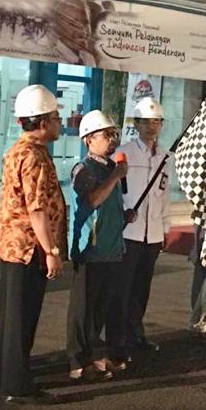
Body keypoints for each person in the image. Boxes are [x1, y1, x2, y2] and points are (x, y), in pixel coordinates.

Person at [0, 84, 65, 405]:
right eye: (56, 118)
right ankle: (17, 385)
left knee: (9, 318)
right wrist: (51, 251)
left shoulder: (16, 151)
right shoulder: (34, 157)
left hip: (13, 246)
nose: (60, 124)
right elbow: (37, 209)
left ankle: (3, 377)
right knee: (22, 319)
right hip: (29, 248)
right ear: (43, 122)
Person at [66, 110, 129, 383]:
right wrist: (115, 176)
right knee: (84, 309)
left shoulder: (110, 167)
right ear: (89, 139)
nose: (112, 140)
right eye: (106, 135)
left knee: (101, 307)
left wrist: (124, 216)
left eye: (114, 134)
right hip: (89, 250)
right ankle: (78, 361)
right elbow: (92, 200)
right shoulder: (83, 169)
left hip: (111, 248)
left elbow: (111, 203)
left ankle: (95, 355)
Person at [110, 97, 172, 359]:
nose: (151, 127)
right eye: (146, 122)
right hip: (129, 233)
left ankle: (136, 334)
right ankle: (117, 340)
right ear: (136, 124)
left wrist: (165, 228)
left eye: (156, 121)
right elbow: (113, 192)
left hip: (152, 233)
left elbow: (164, 195)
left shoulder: (166, 157)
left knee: (141, 289)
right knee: (122, 289)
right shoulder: (123, 153)